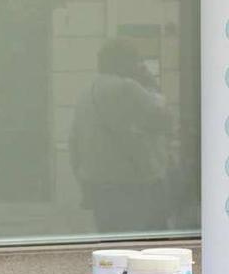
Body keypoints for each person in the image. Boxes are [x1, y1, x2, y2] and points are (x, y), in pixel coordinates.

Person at [69, 38, 176, 233]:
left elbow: (74, 142)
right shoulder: (127, 88)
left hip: (99, 185)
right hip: (135, 184)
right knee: (149, 245)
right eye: (136, 60)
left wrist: (83, 178)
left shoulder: (86, 92)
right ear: (126, 62)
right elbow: (165, 121)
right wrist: (151, 84)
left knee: (113, 245)